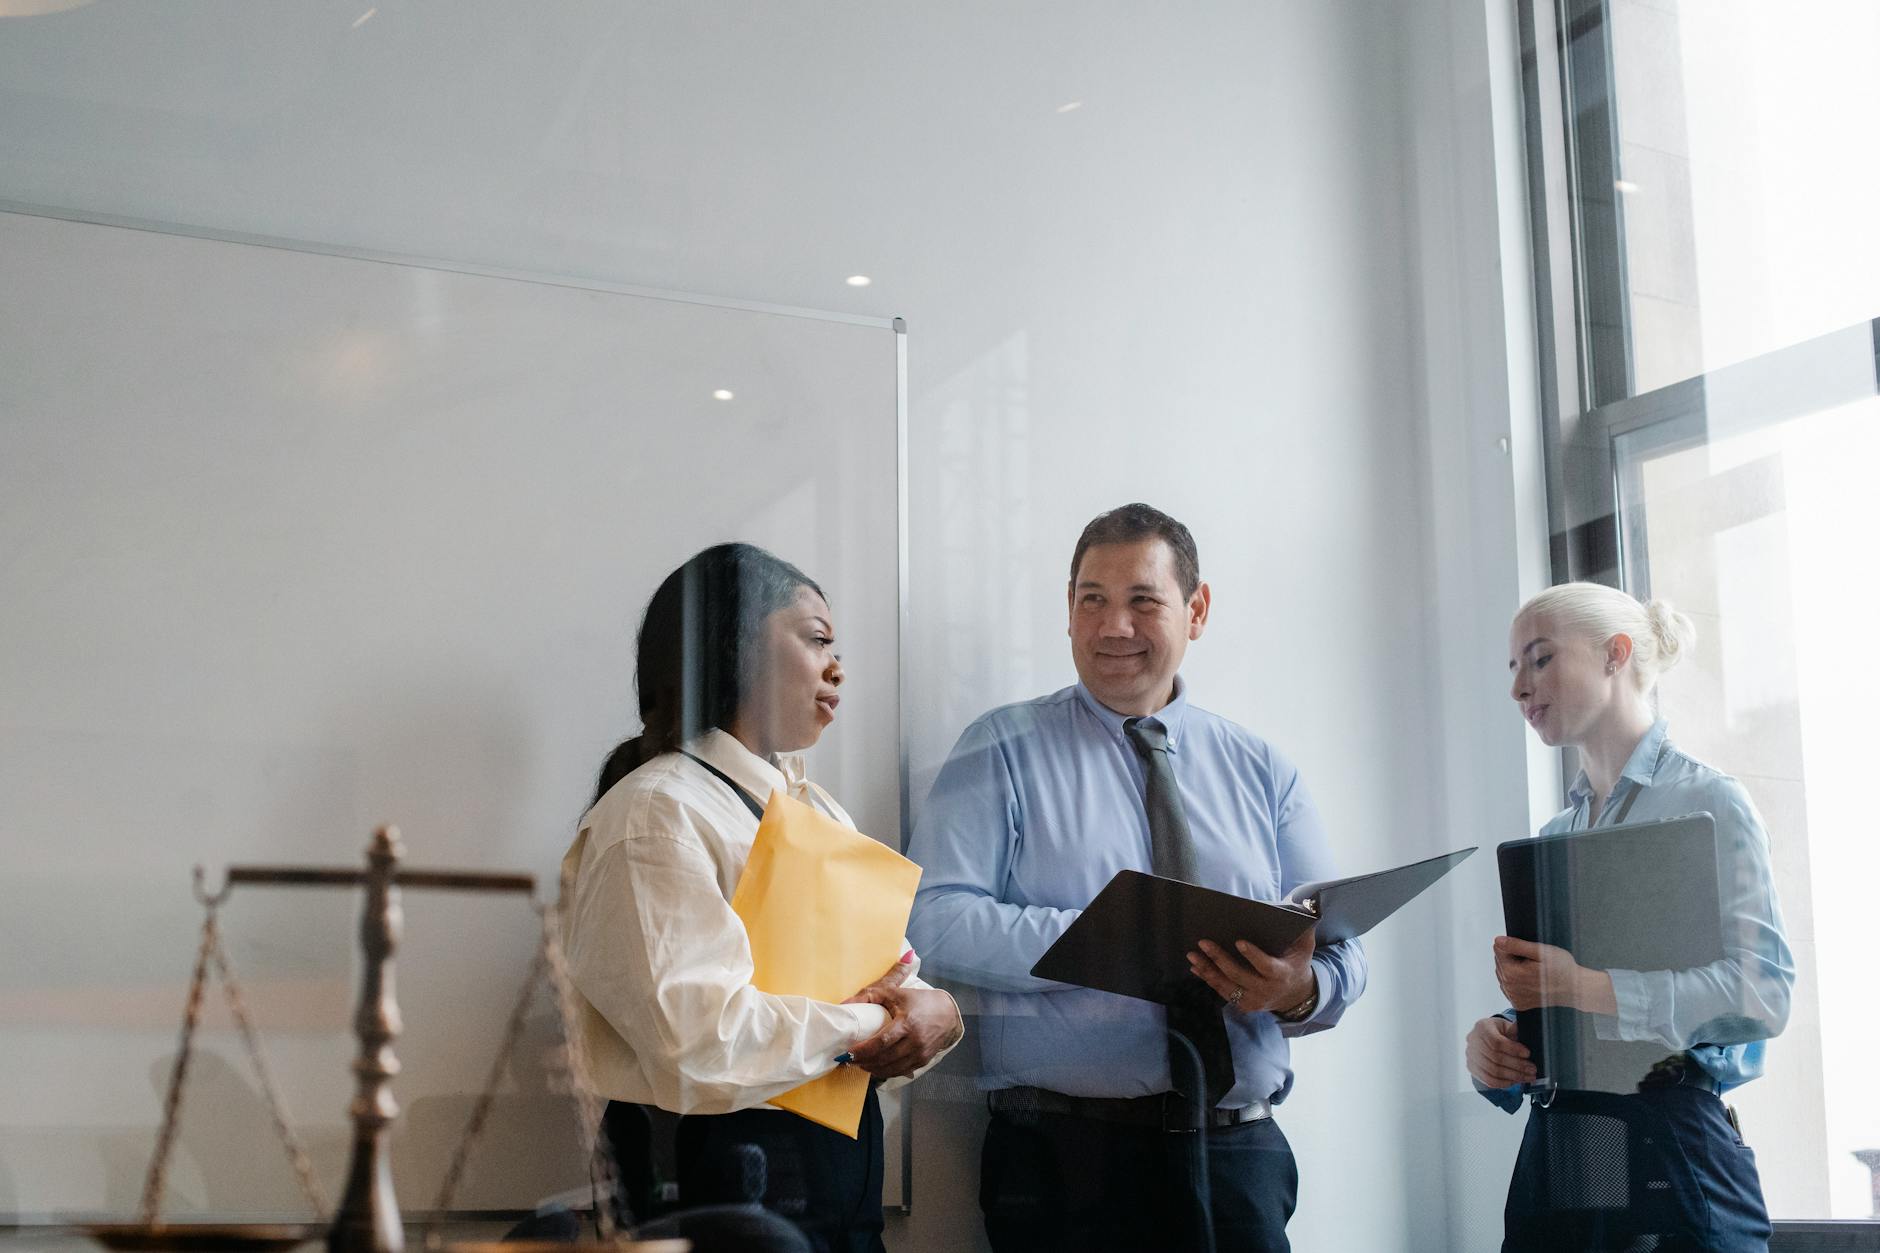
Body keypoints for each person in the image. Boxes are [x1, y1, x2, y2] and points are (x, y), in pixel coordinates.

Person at [905, 503, 1367, 1253]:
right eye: (1092, 599)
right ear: (1068, 610)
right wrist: (1115, 933)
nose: (1113, 626)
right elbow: (934, 921)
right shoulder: (1000, 748)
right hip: (1063, 1158)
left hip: (1238, 1157)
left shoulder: (1262, 769)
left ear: (1197, 609)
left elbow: (1337, 942)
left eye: (1142, 601)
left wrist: (1298, 989)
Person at [561, 542, 963, 1253]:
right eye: (815, 640)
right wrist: (870, 1023)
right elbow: (696, 1037)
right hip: (714, 1194)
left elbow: (897, 975)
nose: (837, 667)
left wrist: (939, 1012)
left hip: (842, 1186)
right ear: (734, 644)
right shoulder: (658, 812)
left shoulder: (821, 812)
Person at [1466, 582, 1794, 1252]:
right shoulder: (1556, 833)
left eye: (1540, 659)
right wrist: (1499, 1043)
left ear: (1616, 654)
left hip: (1670, 1144)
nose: (1519, 689)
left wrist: (1578, 985)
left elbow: (1765, 992)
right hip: (1562, 1150)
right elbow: (1562, 1011)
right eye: (1513, 669)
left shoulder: (1708, 802)